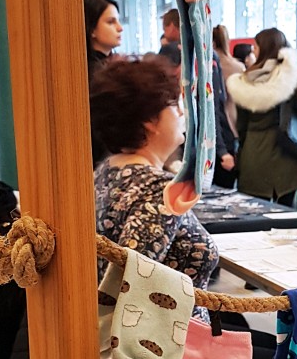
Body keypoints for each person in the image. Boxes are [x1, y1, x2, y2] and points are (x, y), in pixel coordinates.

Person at [90, 56, 219, 304]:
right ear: (150, 121)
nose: (181, 113)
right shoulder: (156, 188)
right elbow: (130, 283)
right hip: (168, 327)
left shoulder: (106, 170)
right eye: (173, 104)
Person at [226, 27, 297, 205]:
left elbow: (242, 126)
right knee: (285, 214)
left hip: (254, 155)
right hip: (288, 152)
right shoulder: (292, 74)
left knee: (255, 213)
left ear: (264, 48)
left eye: (256, 47)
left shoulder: (245, 80)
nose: (253, 51)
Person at [159, 7, 236, 184]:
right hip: (186, 150)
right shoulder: (180, 54)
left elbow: (211, 107)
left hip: (204, 147)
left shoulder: (203, 58)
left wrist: (220, 149)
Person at [83, 0, 123, 81]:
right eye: (111, 22)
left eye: (118, 21)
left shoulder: (114, 64)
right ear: (92, 29)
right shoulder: (91, 73)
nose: (120, 28)